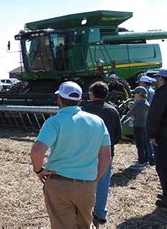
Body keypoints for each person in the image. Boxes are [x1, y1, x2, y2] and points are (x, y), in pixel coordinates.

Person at [30, 81, 111, 228]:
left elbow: (36, 152)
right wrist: (95, 179)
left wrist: (39, 170)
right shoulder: (98, 122)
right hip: (87, 185)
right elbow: (106, 157)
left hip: (59, 183)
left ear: (59, 99)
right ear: (79, 100)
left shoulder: (54, 122)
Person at [83, 82, 122, 226]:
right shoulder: (113, 111)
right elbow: (118, 134)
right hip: (106, 154)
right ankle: (100, 213)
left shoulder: (84, 110)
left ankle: (84, 210)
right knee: (103, 184)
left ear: (92, 94)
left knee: (85, 182)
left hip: (86, 153)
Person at [147, 69, 167, 208]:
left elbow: (155, 116)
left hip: (163, 135)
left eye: (157, 78)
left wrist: (152, 134)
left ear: (162, 79)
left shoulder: (161, 94)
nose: (156, 81)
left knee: (163, 166)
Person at [126, 86, 154, 169]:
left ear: (140, 94)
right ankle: (145, 161)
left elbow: (129, 114)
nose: (134, 95)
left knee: (139, 145)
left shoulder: (139, 103)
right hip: (144, 125)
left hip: (138, 125)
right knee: (144, 144)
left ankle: (141, 162)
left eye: (135, 93)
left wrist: (132, 107)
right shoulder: (145, 102)